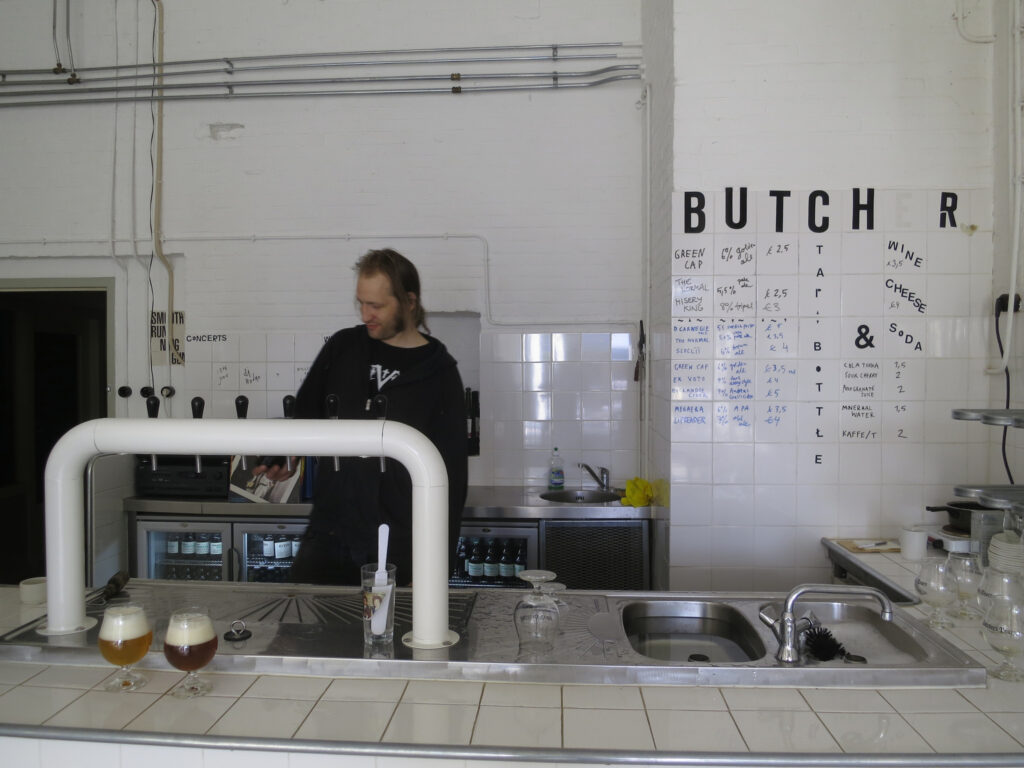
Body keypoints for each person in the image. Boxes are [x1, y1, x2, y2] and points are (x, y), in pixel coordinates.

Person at [257, 249, 468, 585]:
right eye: (361, 303)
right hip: (330, 533)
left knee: (391, 636)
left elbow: (452, 479)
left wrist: (435, 562)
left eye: (377, 306)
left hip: (400, 544)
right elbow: (305, 411)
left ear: (409, 301)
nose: (366, 314)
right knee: (303, 634)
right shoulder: (343, 347)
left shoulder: (439, 373)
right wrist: (285, 454)